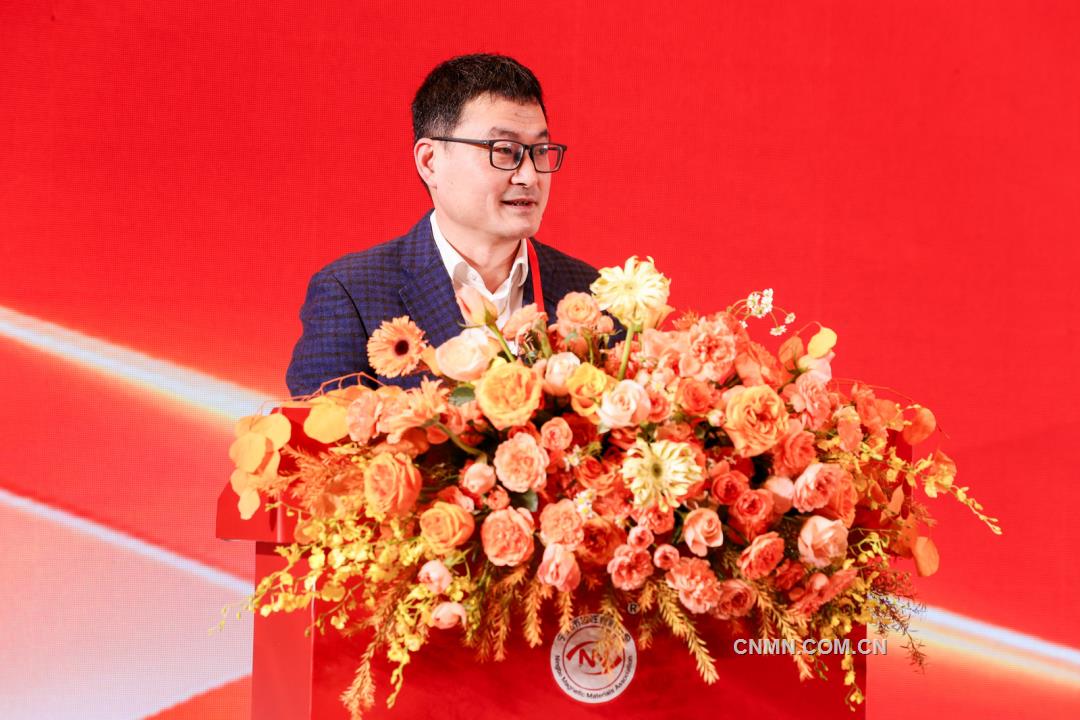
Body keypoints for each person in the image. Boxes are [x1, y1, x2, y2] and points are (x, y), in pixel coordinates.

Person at [286, 53, 601, 396]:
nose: (530, 176)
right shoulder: (352, 293)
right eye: (504, 150)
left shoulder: (589, 293)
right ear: (430, 161)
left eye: (539, 151)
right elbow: (318, 430)